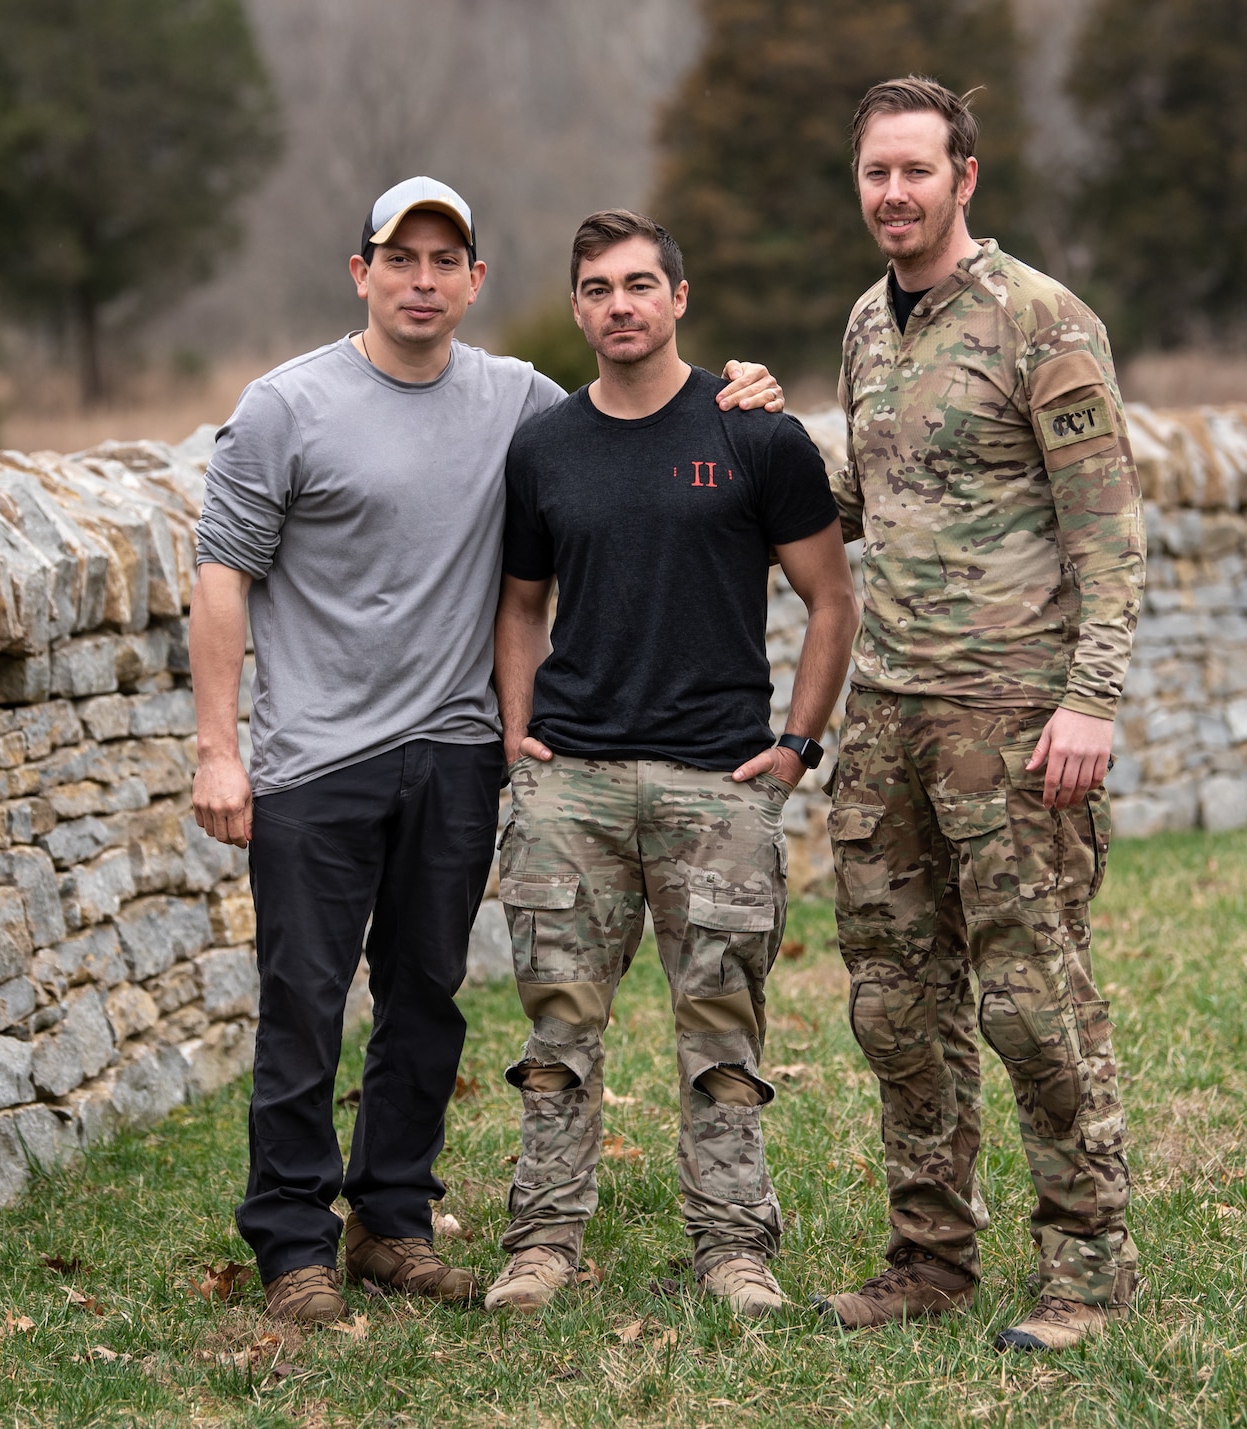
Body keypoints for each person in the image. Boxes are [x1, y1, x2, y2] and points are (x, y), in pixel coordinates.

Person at [189, 177, 788, 1327]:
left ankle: (392, 1224)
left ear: (474, 280)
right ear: (360, 273)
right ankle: (291, 1241)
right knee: (304, 1003)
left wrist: (741, 390)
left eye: (443, 260)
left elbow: (636, 416)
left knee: (426, 998)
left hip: (459, 749)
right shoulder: (286, 405)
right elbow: (223, 576)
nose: (421, 280)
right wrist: (220, 749)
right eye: (397, 258)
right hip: (314, 760)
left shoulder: (516, 400)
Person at [814, 78, 1146, 1351]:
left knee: (1030, 996)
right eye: (871, 173)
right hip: (886, 714)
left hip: (1012, 718)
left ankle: (1086, 1266)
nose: (890, 193)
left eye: (913, 170)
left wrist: (1090, 699)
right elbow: (882, 492)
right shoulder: (862, 325)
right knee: (895, 1001)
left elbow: (1105, 530)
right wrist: (754, 450)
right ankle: (929, 1256)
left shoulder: (1041, 321)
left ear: (964, 177)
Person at [481, 209, 859, 1319]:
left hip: (718, 787)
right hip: (572, 787)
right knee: (556, 1033)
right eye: (596, 288)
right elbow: (519, 603)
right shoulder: (545, 446)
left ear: (678, 298)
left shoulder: (754, 434)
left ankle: (733, 1249)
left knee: (722, 1037)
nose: (619, 306)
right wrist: (517, 733)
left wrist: (794, 744)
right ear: (577, 307)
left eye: (640, 284)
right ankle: (541, 1241)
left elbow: (830, 598)